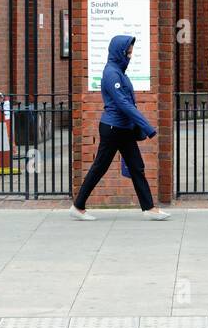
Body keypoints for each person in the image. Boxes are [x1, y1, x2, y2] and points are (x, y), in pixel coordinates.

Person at [70, 34, 170, 221]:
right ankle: (78, 206)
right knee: (100, 167)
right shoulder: (111, 74)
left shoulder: (119, 72)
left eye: (131, 52)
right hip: (113, 129)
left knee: (136, 166)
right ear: (119, 52)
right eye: (128, 52)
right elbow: (123, 103)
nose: (130, 56)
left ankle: (149, 207)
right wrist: (147, 127)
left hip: (123, 129)